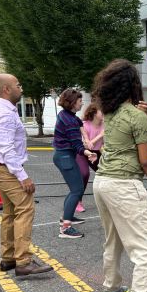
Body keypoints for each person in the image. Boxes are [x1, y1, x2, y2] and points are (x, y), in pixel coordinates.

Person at [91, 59, 147, 292]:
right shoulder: (133, 115)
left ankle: (112, 289)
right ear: (133, 84)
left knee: (114, 240)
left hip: (101, 182)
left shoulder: (109, 113)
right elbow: (146, 160)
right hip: (124, 185)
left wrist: (146, 115)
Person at [0, 74, 53, 277]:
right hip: (5, 167)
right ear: (6, 89)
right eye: (17, 85)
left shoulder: (1, 110)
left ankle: (9, 258)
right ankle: (23, 261)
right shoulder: (4, 114)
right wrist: (23, 176)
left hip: (0, 167)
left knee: (10, 212)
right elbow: (6, 148)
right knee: (25, 207)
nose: (20, 88)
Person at [52, 88, 97, 239]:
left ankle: (67, 216)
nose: (81, 103)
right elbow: (77, 145)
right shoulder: (69, 121)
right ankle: (65, 228)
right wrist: (88, 153)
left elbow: (80, 122)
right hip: (65, 156)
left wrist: (85, 134)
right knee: (77, 190)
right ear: (72, 103)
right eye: (79, 101)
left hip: (63, 155)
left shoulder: (67, 115)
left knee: (74, 189)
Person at [74, 103, 104, 213]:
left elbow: (103, 138)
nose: (104, 113)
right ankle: (78, 201)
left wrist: (96, 141)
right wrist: (95, 139)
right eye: (101, 111)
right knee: (84, 174)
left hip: (96, 153)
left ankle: (108, 198)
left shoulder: (104, 124)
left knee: (106, 173)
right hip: (83, 153)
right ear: (95, 113)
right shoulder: (84, 125)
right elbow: (85, 145)